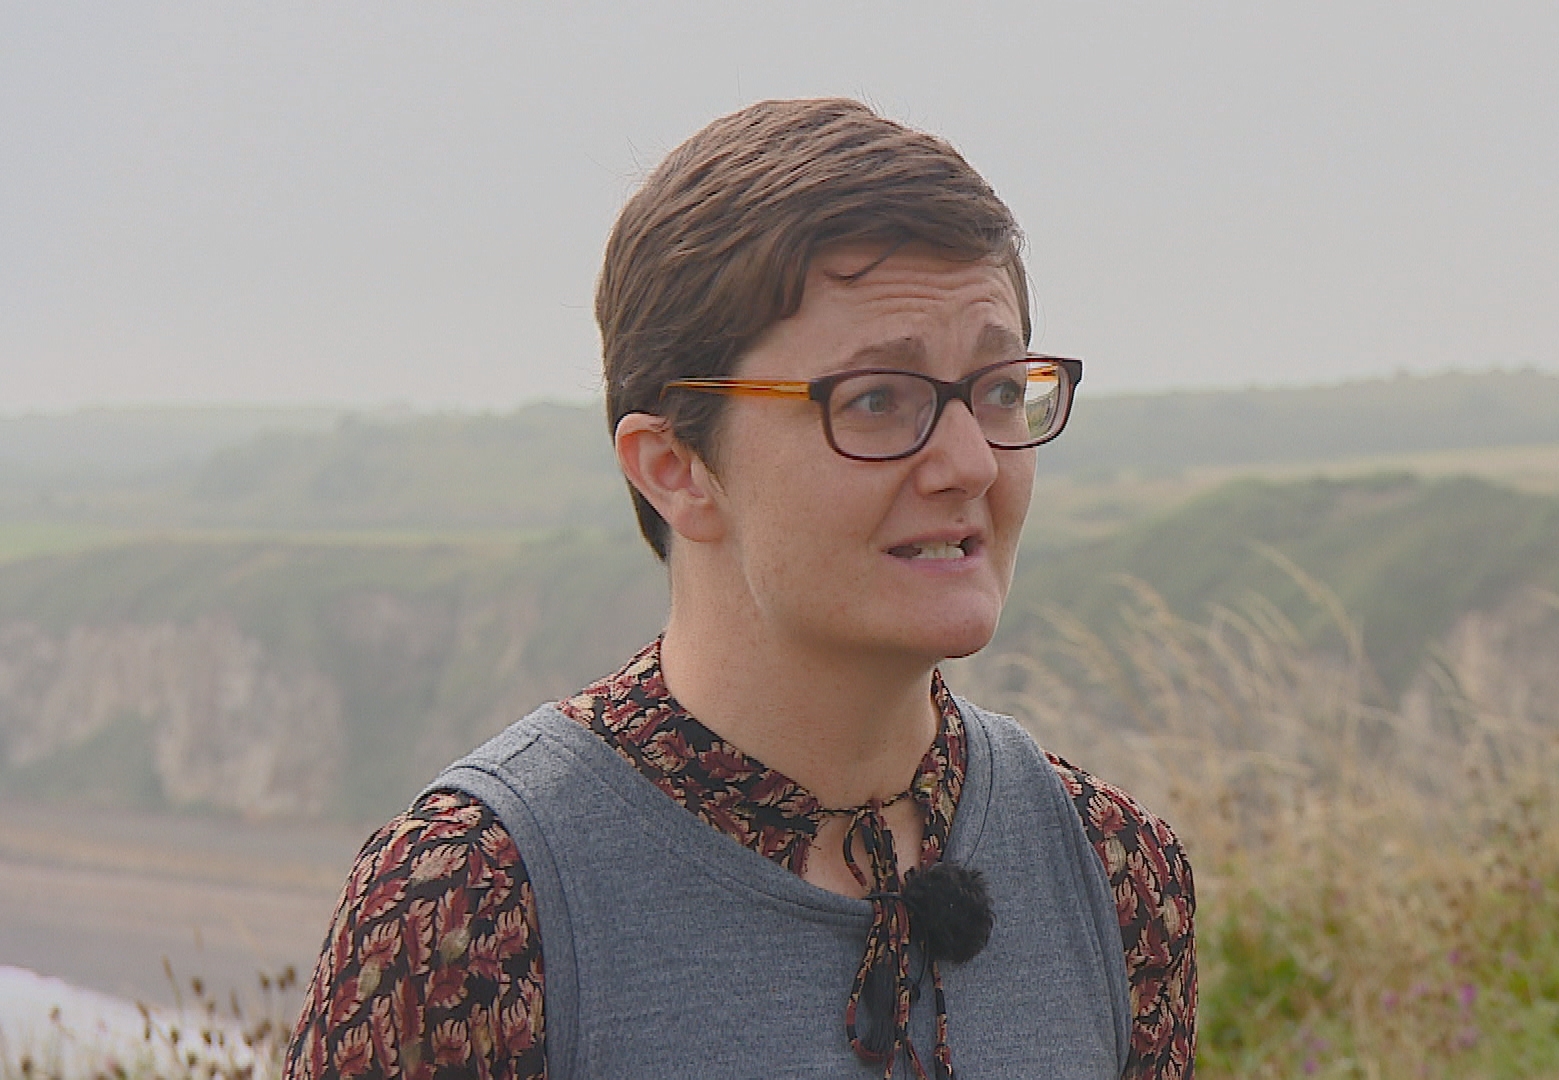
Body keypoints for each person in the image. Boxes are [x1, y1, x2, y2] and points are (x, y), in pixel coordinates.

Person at [286, 98, 1195, 1080]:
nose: (970, 461)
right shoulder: (472, 905)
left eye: (1001, 390)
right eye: (876, 400)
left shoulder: (1113, 871)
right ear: (675, 467)